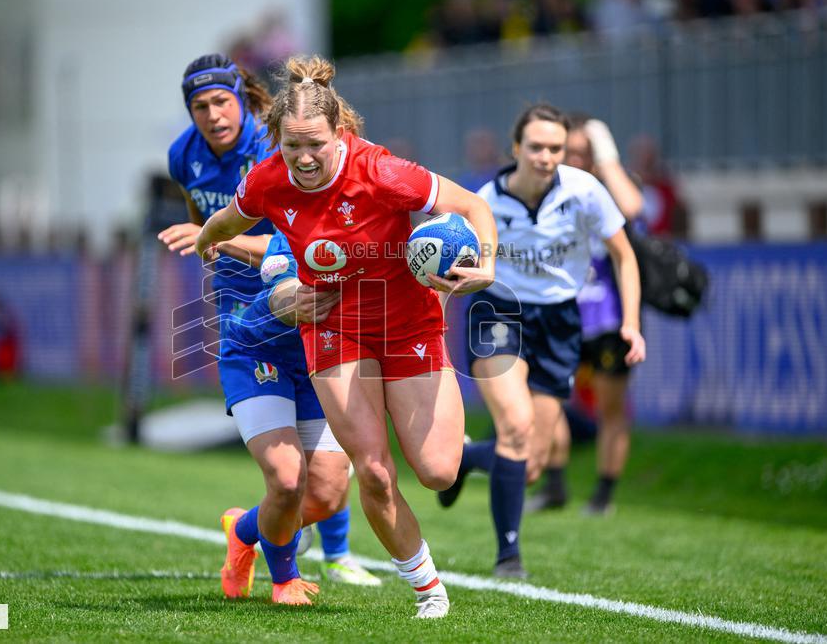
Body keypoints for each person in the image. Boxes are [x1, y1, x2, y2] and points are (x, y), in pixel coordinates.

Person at [193, 55, 497, 618]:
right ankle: (429, 590)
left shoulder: (382, 172)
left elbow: (473, 205)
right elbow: (227, 222)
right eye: (291, 147)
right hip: (333, 331)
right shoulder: (268, 181)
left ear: (341, 134)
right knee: (375, 473)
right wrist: (206, 239)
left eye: (315, 144)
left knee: (438, 470)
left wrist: (489, 265)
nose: (304, 158)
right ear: (277, 141)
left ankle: (248, 529)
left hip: (409, 323)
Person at [157, 54, 379, 605]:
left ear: (244, 99)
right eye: (199, 106)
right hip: (248, 323)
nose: (212, 115)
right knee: (286, 479)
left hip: (309, 311)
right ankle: (284, 576)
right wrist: (210, 241)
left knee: (326, 492)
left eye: (221, 101)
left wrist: (213, 236)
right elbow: (204, 220)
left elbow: (282, 244)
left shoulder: (277, 151)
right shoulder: (183, 155)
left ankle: (247, 531)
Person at [436, 103, 646, 578]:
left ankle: (465, 457)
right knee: (513, 425)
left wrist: (630, 322)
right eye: (536, 147)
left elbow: (624, 256)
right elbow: (457, 261)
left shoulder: (584, 191)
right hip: (499, 310)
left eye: (555, 148)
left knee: (530, 460)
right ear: (516, 148)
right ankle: (508, 555)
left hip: (559, 321)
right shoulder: (486, 199)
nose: (546, 156)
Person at [528, 115, 646, 515]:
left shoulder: (605, 189)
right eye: (570, 150)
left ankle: (603, 495)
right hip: (561, 315)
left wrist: (606, 153)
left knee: (610, 409)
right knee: (545, 399)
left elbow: (632, 207)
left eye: (584, 151)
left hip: (609, 320)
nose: (576, 159)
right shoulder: (548, 189)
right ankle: (556, 484)